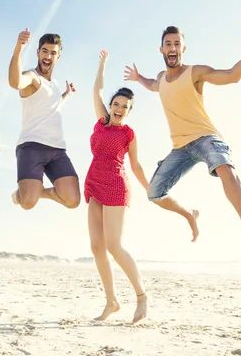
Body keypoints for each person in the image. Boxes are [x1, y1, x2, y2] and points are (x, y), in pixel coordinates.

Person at [124, 24, 241, 247]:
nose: (173, 48)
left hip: (205, 137)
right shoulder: (161, 79)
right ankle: (190, 214)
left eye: (177, 44)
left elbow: (231, 76)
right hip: (180, 149)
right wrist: (138, 77)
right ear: (161, 49)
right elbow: (152, 85)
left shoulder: (195, 73)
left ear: (183, 49)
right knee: (154, 192)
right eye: (168, 44)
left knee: (224, 167)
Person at [86, 50, 149, 323]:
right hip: (93, 182)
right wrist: (102, 66)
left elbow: (135, 165)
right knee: (97, 246)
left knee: (114, 245)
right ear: (111, 105)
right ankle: (111, 302)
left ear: (129, 111)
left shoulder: (128, 133)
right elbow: (96, 90)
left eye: (125, 106)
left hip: (115, 186)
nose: (119, 108)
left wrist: (150, 188)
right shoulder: (101, 121)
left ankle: (142, 296)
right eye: (117, 103)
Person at [8, 28, 80, 210]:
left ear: (58, 57)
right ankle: (22, 194)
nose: (48, 56)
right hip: (31, 146)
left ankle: (34, 190)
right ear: (38, 52)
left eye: (53, 53)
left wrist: (67, 95)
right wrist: (18, 48)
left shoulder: (54, 85)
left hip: (57, 150)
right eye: (45, 51)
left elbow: (54, 106)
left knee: (72, 200)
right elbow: (15, 82)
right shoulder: (32, 77)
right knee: (28, 203)